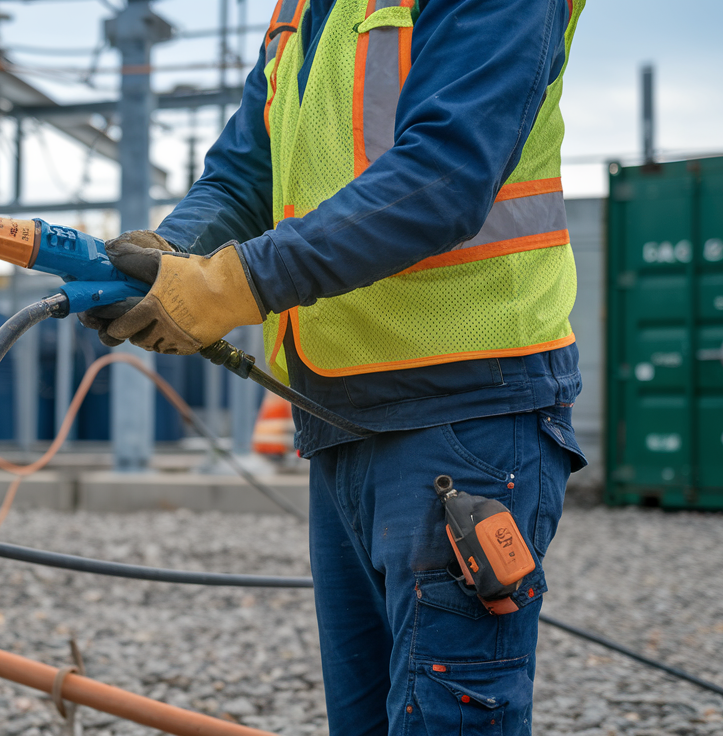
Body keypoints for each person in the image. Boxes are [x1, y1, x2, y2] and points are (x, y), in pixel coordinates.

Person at [81, 0, 588, 732]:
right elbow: (242, 179)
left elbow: (445, 173)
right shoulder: (304, 10)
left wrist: (229, 286)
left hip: (467, 410)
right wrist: (170, 257)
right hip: (341, 419)